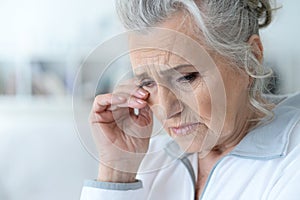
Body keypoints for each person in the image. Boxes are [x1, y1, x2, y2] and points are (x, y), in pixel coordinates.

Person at [80, 0, 300, 199]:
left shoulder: (293, 162)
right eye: (147, 83)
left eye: (186, 77)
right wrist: (117, 172)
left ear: (250, 60)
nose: (166, 110)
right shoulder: (151, 159)